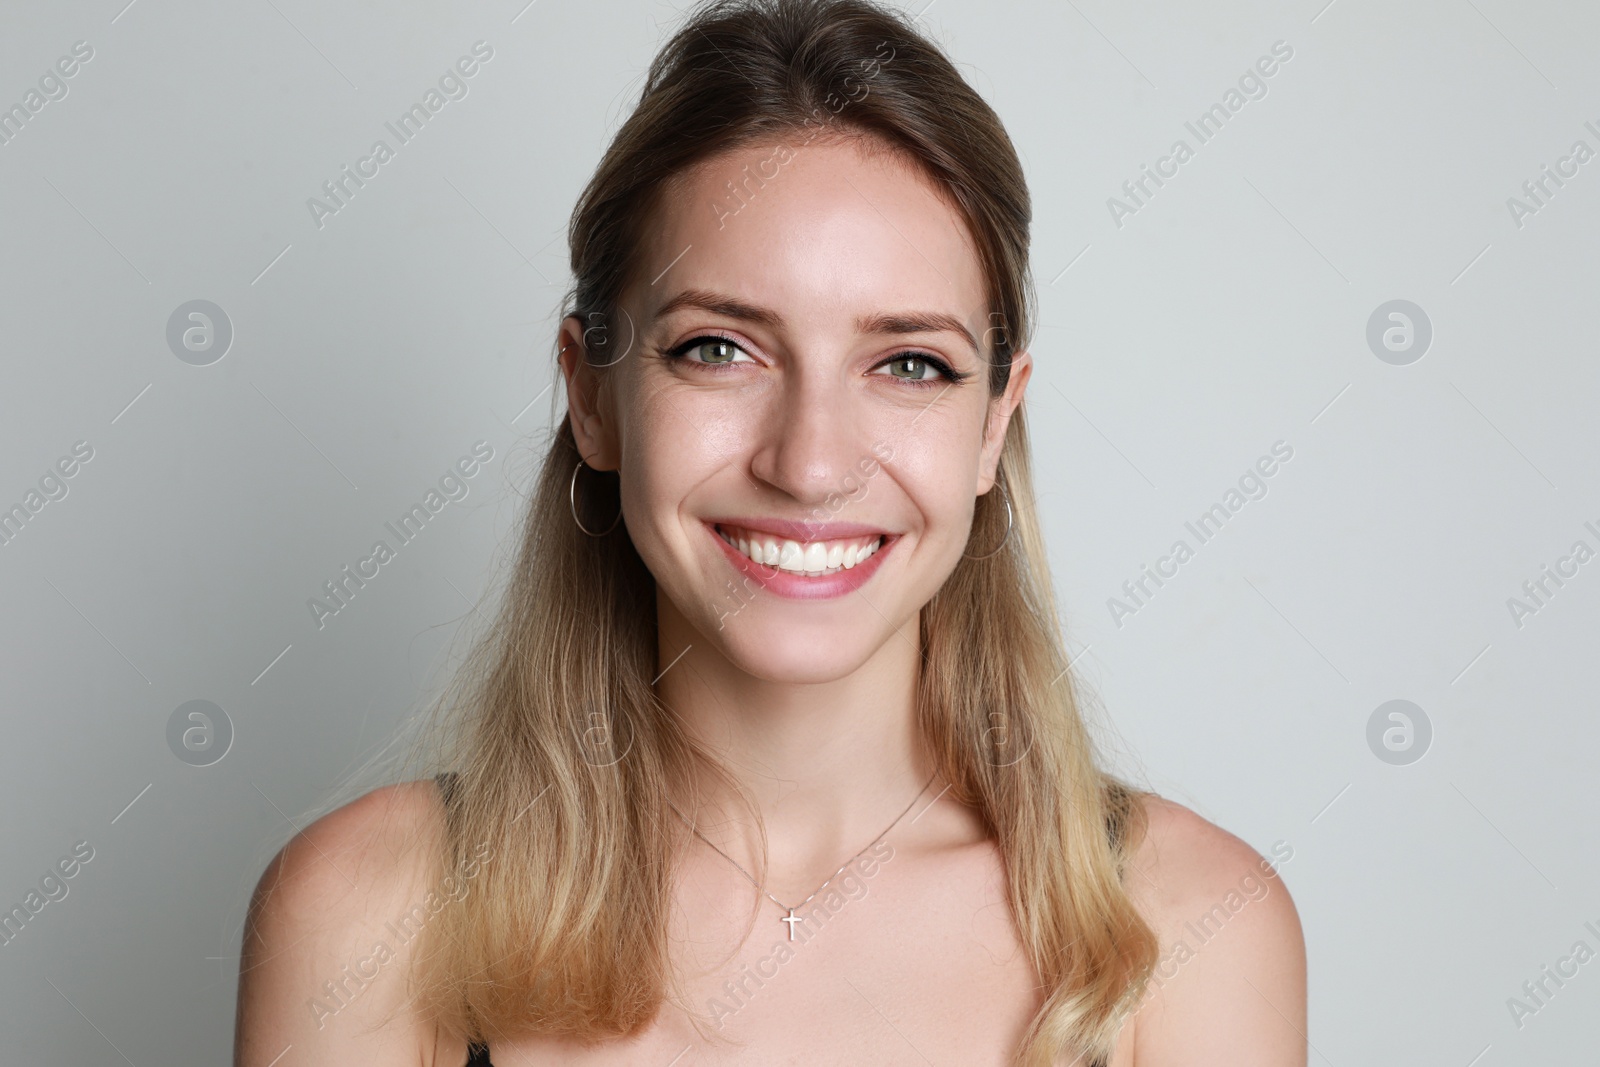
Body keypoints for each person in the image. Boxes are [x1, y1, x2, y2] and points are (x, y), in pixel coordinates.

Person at [234, 1, 1306, 1063]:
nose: (809, 463)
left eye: (909, 363)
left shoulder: (1191, 928)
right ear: (592, 395)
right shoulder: (366, 916)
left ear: (993, 423)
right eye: (718, 348)